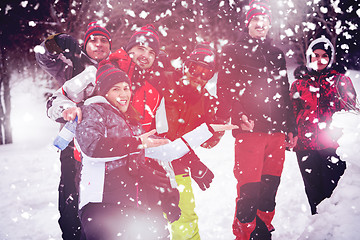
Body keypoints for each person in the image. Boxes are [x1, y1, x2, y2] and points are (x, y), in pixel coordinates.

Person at [75, 64, 237, 239]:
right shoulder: (93, 111)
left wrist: (207, 130)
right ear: (104, 92)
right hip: (103, 204)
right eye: (116, 89)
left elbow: (168, 151)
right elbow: (92, 146)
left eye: (126, 88)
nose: (123, 94)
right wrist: (137, 143)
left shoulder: (134, 124)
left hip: (136, 206)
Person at [216, 0, 298, 239]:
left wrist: (290, 126)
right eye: (255, 19)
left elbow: (284, 93)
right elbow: (226, 89)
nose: (260, 24)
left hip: (276, 134)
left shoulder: (277, 54)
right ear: (247, 23)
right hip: (249, 132)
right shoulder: (233, 50)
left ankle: (263, 231)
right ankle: (245, 234)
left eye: (264, 20)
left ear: (269, 24)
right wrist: (239, 114)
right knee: (248, 191)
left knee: (269, 189)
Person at [36, 21, 111, 240]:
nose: (98, 45)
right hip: (72, 147)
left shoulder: (116, 69)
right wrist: (54, 42)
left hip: (104, 151)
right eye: (93, 40)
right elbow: (44, 57)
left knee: (102, 211)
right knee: (71, 207)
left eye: (103, 41)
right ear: (84, 45)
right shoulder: (71, 65)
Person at [155, 43, 222, 239]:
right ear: (185, 66)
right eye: (195, 69)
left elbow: (207, 143)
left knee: (185, 218)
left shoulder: (206, 100)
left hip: (179, 167)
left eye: (206, 73)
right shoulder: (165, 83)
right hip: (149, 163)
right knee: (151, 220)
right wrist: (194, 162)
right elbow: (166, 134)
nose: (199, 77)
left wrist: (219, 122)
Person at [290, 36, 357, 215]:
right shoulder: (298, 85)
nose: (319, 60)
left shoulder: (340, 81)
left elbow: (351, 114)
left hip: (334, 147)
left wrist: (343, 138)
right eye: (315, 55)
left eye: (324, 56)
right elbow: (291, 114)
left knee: (333, 195)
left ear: (331, 58)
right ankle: (317, 228)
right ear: (309, 57)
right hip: (305, 148)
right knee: (314, 194)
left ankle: (333, 230)